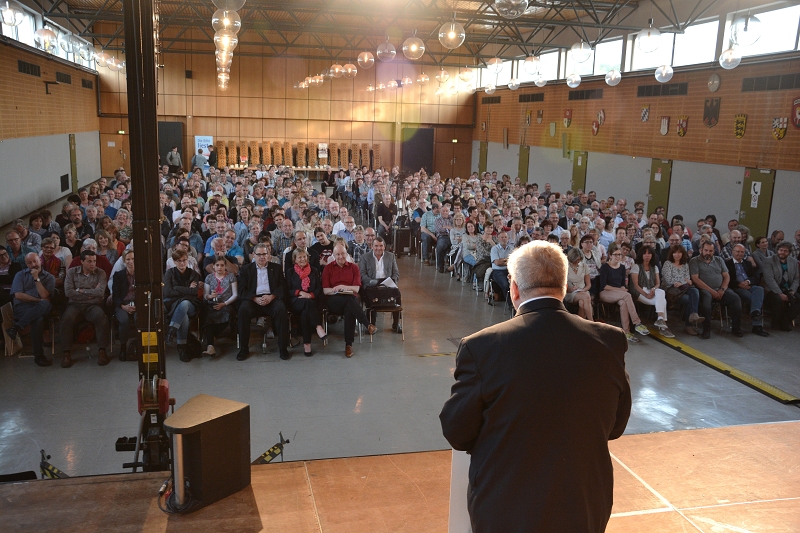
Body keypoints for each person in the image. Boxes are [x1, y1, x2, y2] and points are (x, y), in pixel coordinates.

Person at [439, 240, 631, 533]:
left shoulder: (481, 347)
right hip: (583, 506)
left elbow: (457, 431)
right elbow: (616, 425)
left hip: (507, 510)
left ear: (513, 288)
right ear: (565, 287)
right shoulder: (610, 340)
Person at [236, 242, 290, 361]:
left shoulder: (276, 268)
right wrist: (254, 298)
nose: (261, 257)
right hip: (253, 300)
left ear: (268, 255)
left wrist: (272, 296)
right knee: (243, 310)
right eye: (259, 254)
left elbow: (282, 286)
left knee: (281, 310)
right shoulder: (246, 269)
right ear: (253, 255)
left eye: (264, 254)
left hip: (271, 298)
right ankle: (244, 348)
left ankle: (283, 348)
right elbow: (241, 290)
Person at [322, 244, 377, 357]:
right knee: (351, 301)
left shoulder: (354, 268)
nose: (341, 256)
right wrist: (336, 289)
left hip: (350, 299)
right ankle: (367, 325)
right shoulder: (328, 268)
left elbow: (356, 288)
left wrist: (344, 287)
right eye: (338, 254)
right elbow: (325, 291)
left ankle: (348, 345)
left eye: (343, 253)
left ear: (347, 254)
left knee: (349, 307)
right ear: (334, 255)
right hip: (333, 300)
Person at [61, 250, 110, 368]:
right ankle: (66, 353)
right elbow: (68, 292)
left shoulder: (100, 273)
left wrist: (80, 290)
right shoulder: (72, 272)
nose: (92, 264)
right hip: (75, 305)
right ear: (82, 261)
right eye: (89, 261)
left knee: (101, 318)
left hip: (93, 305)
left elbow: (100, 292)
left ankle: (102, 351)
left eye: (94, 261)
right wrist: (91, 292)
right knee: (66, 320)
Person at [7, 253, 55, 366]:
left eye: (35, 261)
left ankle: (17, 327)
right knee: (39, 316)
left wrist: (36, 278)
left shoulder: (49, 277)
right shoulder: (20, 275)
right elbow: (18, 295)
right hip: (23, 308)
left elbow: (44, 295)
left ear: (40, 260)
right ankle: (39, 356)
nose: (33, 264)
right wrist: (38, 301)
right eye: (29, 262)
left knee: (46, 305)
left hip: (40, 308)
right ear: (26, 264)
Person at [690, 240, 743, 339]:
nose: (708, 253)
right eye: (706, 250)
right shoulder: (694, 261)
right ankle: (706, 329)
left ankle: (736, 328)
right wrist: (711, 291)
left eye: (710, 251)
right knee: (706, 302)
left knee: (736, 299)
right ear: (701, 250)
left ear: (714, 251)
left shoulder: (719, 260)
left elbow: (726, 276)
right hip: (704, 290)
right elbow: (695, 279)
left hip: (720, 289)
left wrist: (722, 289)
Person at [598, 248, 650, 343]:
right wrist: (620, 290)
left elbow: (622, 283)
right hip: (606, 293)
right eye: (615, 254)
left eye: (619, 254)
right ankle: (637, 323)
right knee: (627, 296)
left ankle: (626, 331)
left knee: (623, 303)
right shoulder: (605, 267)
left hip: (619, 294)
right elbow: (604, 286)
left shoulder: (622, 267)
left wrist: (622, 288)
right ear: (610, 255)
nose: (618, 257)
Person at [286, 248, 327, 356]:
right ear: (295, 259)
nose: (303, 259)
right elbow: (287, 290)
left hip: (311, 300)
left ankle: (307, 345)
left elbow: (318, 288)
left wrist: (311, 295)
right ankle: (318, 326)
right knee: (307, 303)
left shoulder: (314, 270)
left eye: (304, 256)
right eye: (300, 257)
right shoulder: (290, 272)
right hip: (296, 301)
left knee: (306, 313)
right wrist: (300, 292)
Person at [164, 249, 202, 362]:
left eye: (184, 260)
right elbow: (167, 292)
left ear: (188, 260)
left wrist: (176, 288)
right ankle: (182, 348)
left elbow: (194, 292)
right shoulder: (169, 273)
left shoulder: (194, 274)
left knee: (184, 303)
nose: (182, 263)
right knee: (183, 316)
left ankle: (171, 330)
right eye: (179, 261)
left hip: (191, 304)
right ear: (174, 262)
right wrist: (186, 289)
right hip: (172, 304)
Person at [359, 236, 402, 334]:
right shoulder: (365, 257)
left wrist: (392, 281)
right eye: (376, 246)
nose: (379, 248)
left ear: (384, 246)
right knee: (371, 296)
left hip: (387, 284)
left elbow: (396, 273)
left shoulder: (390, 256)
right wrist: (370, 282)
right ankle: (371, 324)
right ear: (372, 247)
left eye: (381, 246)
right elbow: (362, 274)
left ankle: (396, 323)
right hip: (371, 285)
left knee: (397, 294)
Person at [725, 244, 769, 337]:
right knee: (754, 299)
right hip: (736, 287)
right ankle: (757, 325)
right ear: (732, 252)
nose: (739, 254)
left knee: (760, 289)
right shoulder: (727, 264)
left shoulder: (747, 263)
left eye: (742, 252)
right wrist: (739, 284)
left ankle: (755, 312)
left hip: (749, 285)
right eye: (737, 251)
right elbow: (727, 279)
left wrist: (748, 282)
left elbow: (755, 277)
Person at [630, 245, 673, 337]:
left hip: (652, 289)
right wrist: (646, 294)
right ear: (641, 255)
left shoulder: (655, 267)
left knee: (661, 292)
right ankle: (663, 327)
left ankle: (660, 319)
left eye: (649, 253)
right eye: (645, 253)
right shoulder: (636, 267)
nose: (647, 255)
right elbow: (635, 285)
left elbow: (657, 283)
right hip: (640, 291)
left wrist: (653, 290)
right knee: (663, 301)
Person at [661, 244, 704, 335]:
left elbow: (688, 279)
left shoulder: (685, 265)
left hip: (683, 289)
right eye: (675, 253)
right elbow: (668, 280)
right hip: (671, 290)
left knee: (694, 291)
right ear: (671, 254)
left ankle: (693, 315)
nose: (677, 255)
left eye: (679, 252)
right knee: (690, 299)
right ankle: (689, 325)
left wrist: (680, 283)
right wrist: (682, 281)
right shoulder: (667, 264)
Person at [202, 255, 239, 356]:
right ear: (213, 266)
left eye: (222, 265)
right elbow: (205, 295)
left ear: (225, 266)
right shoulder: (209, 278)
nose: (219, 267)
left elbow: (235, 294)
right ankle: (210, 347)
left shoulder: (231, 277)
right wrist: (210, 296)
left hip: (227, 303)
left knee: (227, 314)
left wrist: (224, 304)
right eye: (217, 265)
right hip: (212, 303)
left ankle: (212, 337)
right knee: (209, 316)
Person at [761, 242, 799, 331]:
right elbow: (769, 280)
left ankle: (785, 320)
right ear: (777, 250)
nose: (782, 252)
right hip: (772, 288)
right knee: (777, 300)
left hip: (788, 288)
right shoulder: (769, 260)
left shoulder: (793, 261)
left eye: (785, 251)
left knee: (797, 299)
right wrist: (780, 293)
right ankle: (775, 321)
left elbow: (796, 279)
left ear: (789, 252)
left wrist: (792, 290)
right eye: (781, 250)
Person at [111, 250, 138, 361]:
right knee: (124, 320)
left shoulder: (142, 274)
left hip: (138, 304)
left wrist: (138, 305)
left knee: (140, 319)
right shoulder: (118, 275)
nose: (131, 261)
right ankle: (123, 347)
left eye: (133, 259)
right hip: (122, 304)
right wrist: (123, 306)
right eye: (128, 259)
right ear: (124, 260)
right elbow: (116, 296)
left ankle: (140, 346)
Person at [564, 247, 593, 321]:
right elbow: (562, 286)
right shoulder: (565, 267)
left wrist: (584, 290)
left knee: (582, 303)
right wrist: (570, 289)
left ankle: (581, 326)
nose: (578, 261)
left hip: (583, 290)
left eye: (579, 259)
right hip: (570, 292)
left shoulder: (584, 266)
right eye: (576, 260)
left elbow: (588, 284)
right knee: (586, 297)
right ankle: (592, 322)